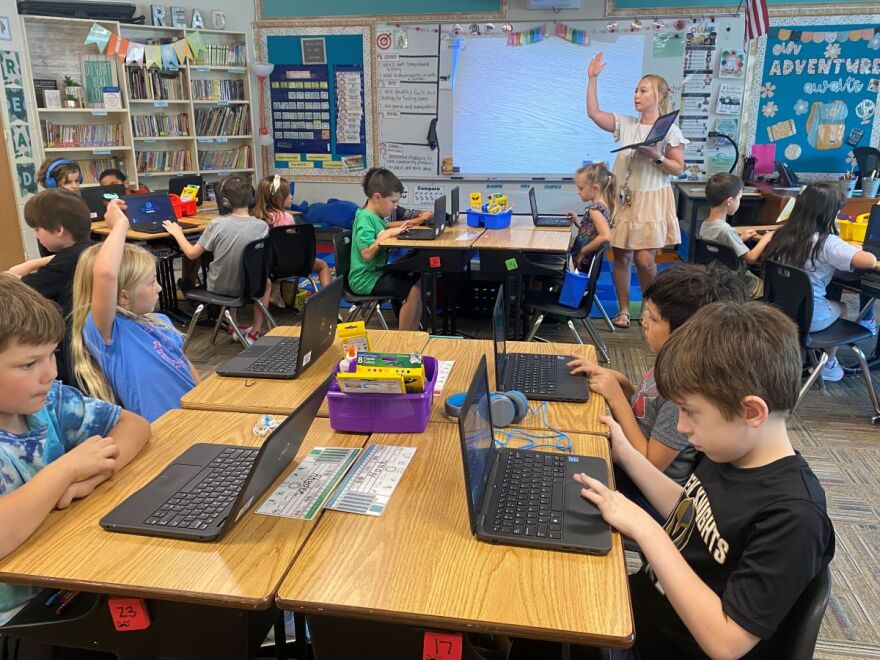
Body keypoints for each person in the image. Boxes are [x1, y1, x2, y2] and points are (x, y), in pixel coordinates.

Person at [575, 301, 834, 658]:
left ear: (752, 412)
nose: (682, 427)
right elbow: (690, 511)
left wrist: (646, 530)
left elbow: (726, 644)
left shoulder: (794, 518)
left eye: (691, 412)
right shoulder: (729, 450)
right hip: (637, 615)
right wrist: (626, 454)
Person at [0, 273, 150, 624]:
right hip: (19, 618)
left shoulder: (47, 401)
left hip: (68, 581)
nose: (49, 372)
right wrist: (66, 469)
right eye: (28, 364)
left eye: (52, 355)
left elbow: (134, 426)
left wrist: (91, 478)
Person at [568, 264, 748, 496]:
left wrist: (615, 397)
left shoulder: (685, 391)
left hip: (645, 490)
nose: (643, 322)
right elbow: (648, 411)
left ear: (685, 333)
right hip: (626, 461)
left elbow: (650, 463)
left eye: (652, 318)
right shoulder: (671, 360)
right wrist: (622, 384)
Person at [71, 199, 198, 422]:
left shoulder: (159, 321)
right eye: (151, 282)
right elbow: (106, 274)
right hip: (163, 433)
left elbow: (186, 366)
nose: (159, 288)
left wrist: (204, 401)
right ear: (123, 296)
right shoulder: (108, 333)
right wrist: (120, 224)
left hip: (195, 417)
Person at [586, 52, 687, 329]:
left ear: (658, 95)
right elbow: (594, 113)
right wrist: (592, 78)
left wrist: (655, 155)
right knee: (621, 256)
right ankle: (622, 310)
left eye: (643, 90)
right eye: (635, 90)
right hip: (623, 198)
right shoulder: (626, 124)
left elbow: (678, 168)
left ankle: (648, 307)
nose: (637, 95)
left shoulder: (669, 129)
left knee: (644, 260)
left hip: (652, 197)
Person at [762, 181, 878, 382]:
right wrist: (856, 249)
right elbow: (868, 261)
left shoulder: (783, 234)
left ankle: (809, 355)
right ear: (828, 214)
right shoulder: (827, 242)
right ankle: (829, 364)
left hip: (778, 309)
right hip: (809, 318)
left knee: (827, 300)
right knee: (841, 306)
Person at [163, 175, 271, 343]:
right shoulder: (262, 226)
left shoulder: (216, 224)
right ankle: (255, 331)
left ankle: (234, 324)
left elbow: (191, 254)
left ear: (225, 202)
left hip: (220, 287)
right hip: (251, 288)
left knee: (228, 268)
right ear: (252, 198)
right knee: (266, 282)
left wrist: (177, 233)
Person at [6, 190, 93, 385]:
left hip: (70, 353)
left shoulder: (62, 266)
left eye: (37, 229)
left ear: (58, 230)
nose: (37, 236)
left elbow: (16, 286)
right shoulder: (90, 249)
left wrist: (23, 267)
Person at [349, 168, 422, 331]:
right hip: (364, 279)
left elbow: (386, 227)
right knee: (413, 289)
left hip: (375, 273)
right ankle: (404, 338)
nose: (396, 207)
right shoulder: (364, 219)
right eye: (393, 201)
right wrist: (386, 235)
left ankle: (415, 333)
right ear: (377, 197)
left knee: (417, 279)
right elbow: (366, 254)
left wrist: (409, 225)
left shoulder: (375, 217)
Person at [699, 172, 774, 298]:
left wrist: (739, 239)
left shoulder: (705, 225)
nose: (739, 202)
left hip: (716, 278)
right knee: (768, 285)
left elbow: (721, 249)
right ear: (729, 201)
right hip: (735, 283)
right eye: (739, 198)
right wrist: (765, 239)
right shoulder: (727, 231)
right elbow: (750, 258)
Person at [253, 174, 332, 290]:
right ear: (278, 198)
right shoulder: (287, 217)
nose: (291, 196)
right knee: (323, 266)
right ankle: (328, 298)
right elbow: (293, 246)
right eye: (288, 194)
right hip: (291, 264)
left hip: (267, 268)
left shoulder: (255, 218)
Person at [566, 162, 614, 272]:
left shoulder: (595, 210)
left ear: (596, 188)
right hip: (587, 259)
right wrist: (577, 221)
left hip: (584, 260)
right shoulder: (603, 205)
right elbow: (591, 232)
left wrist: (583, 251)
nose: (578, 192)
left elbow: (606, 236)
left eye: (581, 188)